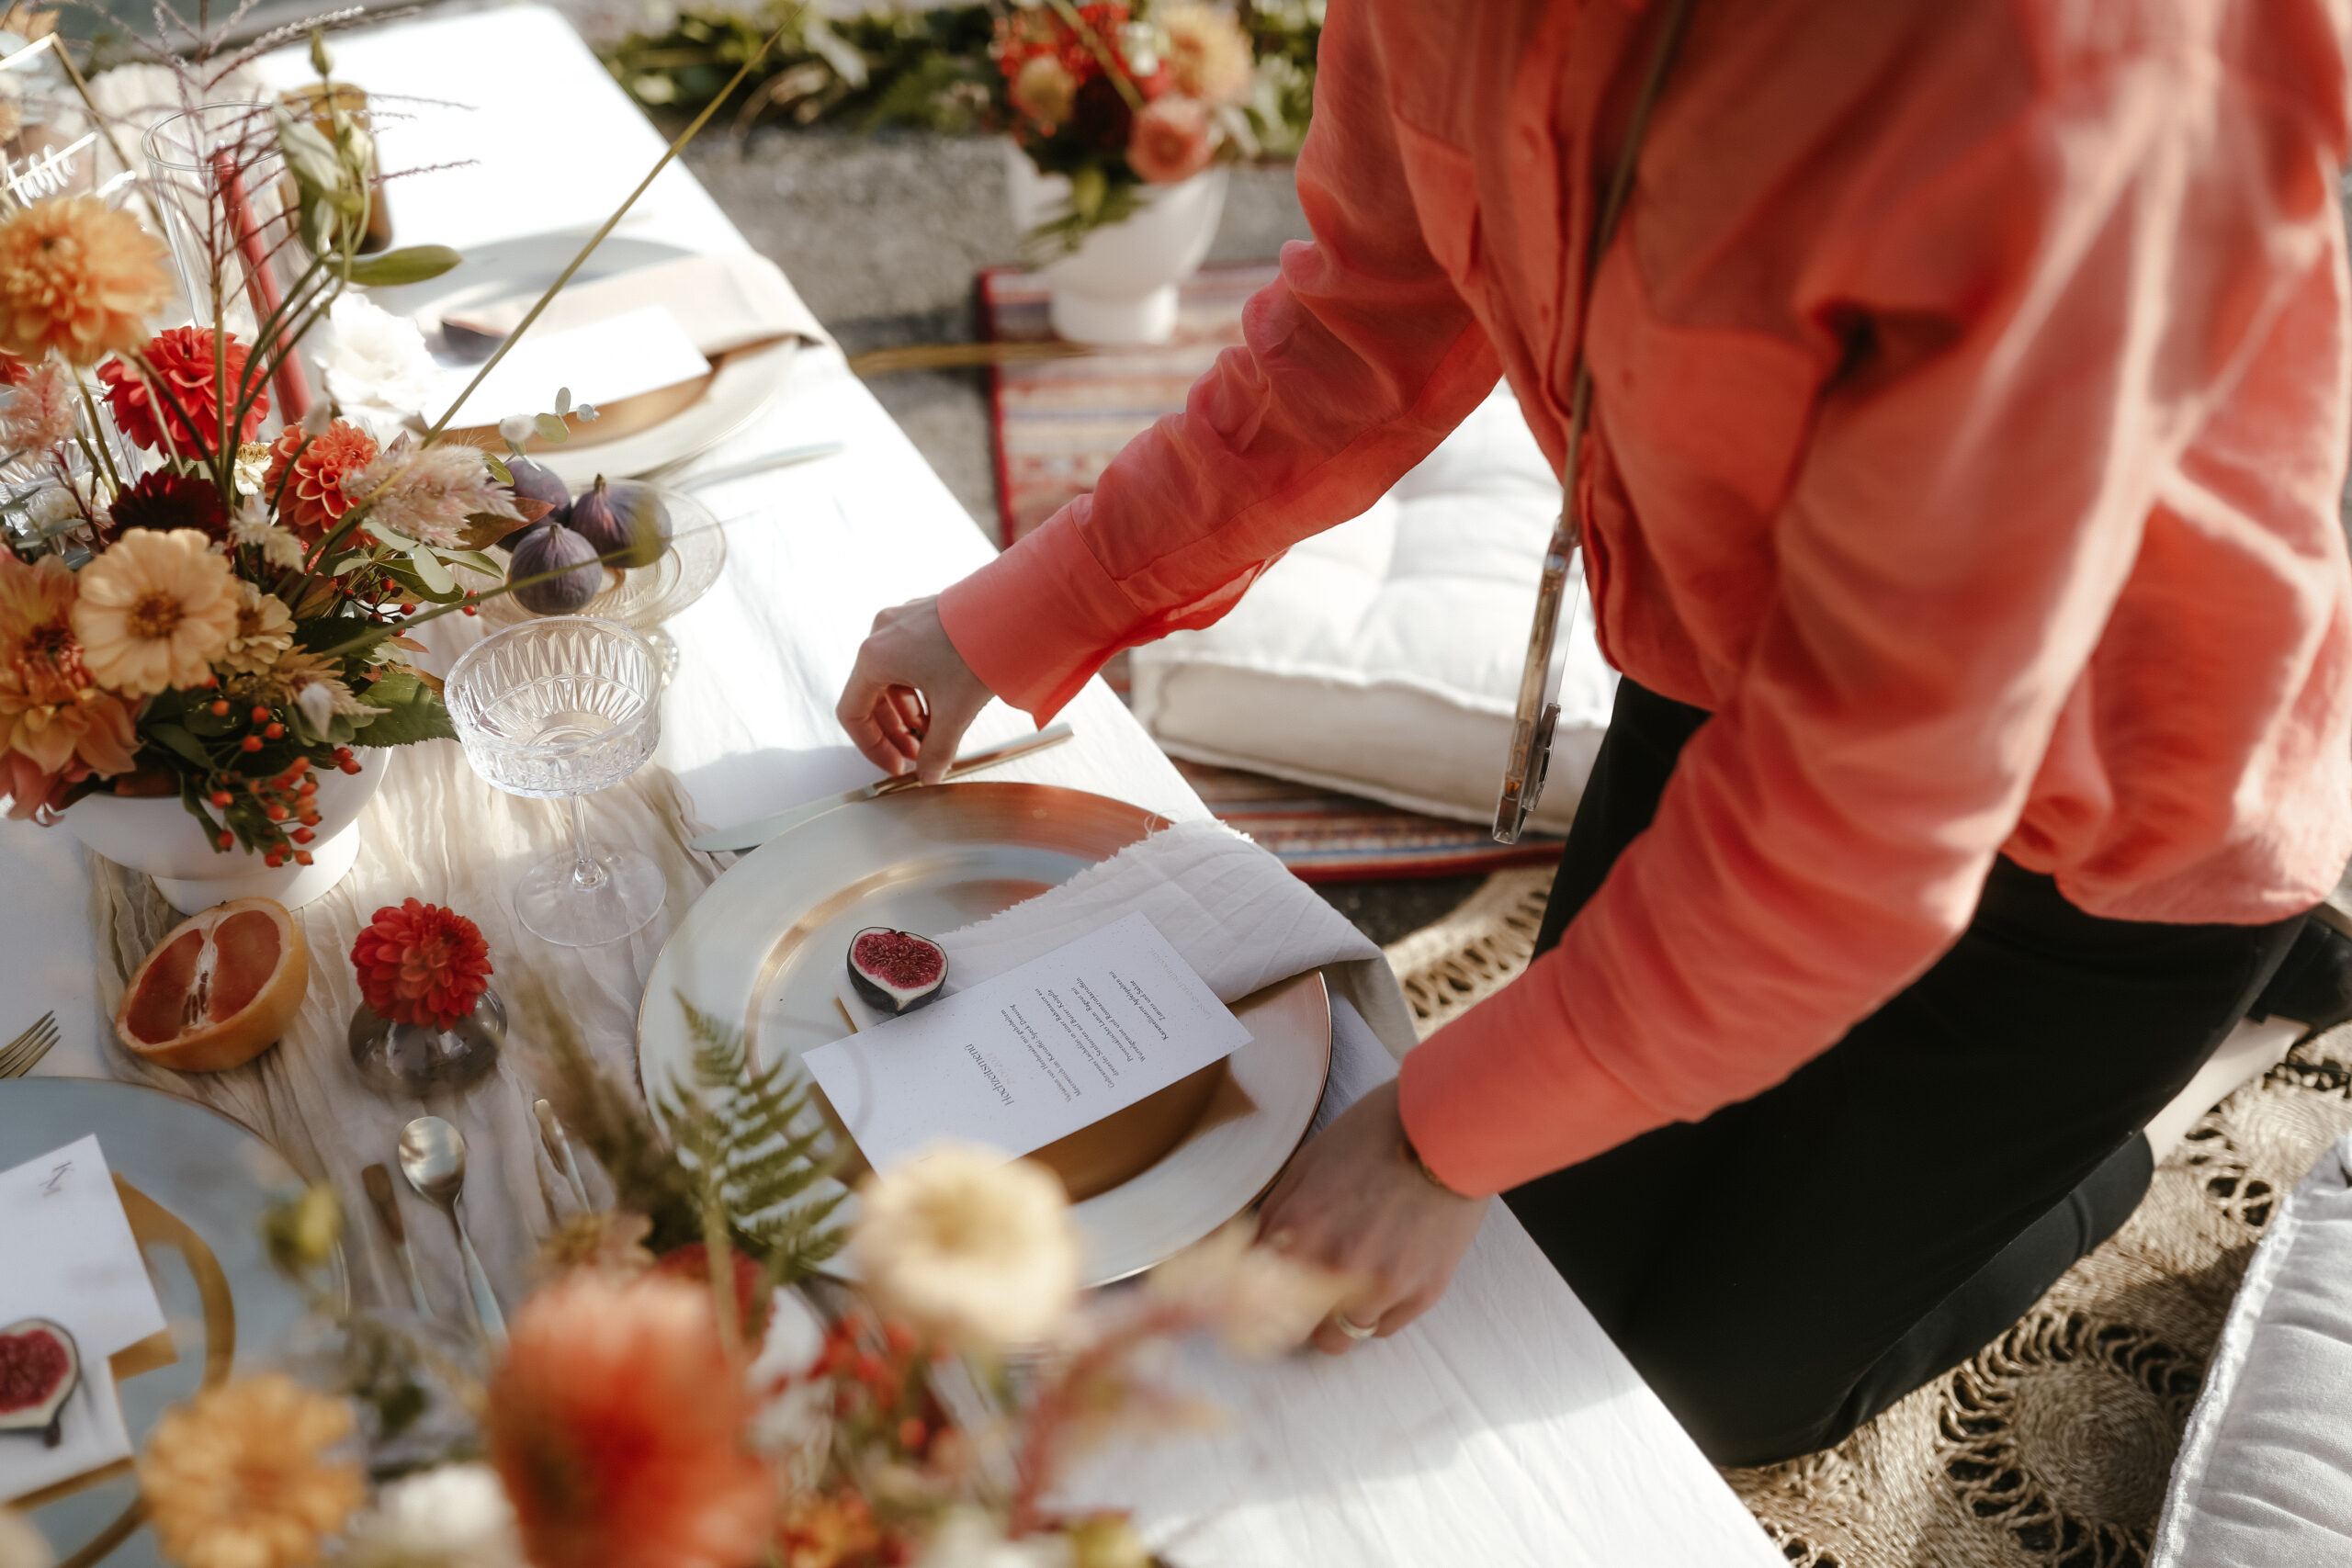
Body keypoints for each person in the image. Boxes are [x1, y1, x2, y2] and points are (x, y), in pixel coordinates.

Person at [837, 0, 2352, 1465]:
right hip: (1731, 702)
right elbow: (1362, 327)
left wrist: (1437, 1142)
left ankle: (2233, 1042)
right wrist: (1010, 618)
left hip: (2115, 833)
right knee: (1537, 1284)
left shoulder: (2036, 68)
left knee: (1719, 1391)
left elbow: (1865, 825)